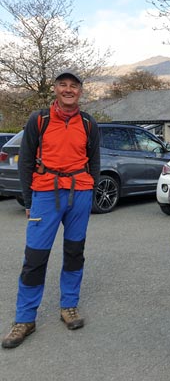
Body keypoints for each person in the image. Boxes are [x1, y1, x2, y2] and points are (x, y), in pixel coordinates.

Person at [2, 69, 100, 349]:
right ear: (55, 90)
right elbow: (25, 161)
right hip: (45, 192)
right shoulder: (39, 119)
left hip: (79, 191)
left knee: (74, 252)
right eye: (63, 85)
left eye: (74, 86)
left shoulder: (89, 122)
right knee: (34, 256)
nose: (69, 89)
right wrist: (29, 200)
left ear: (80, 92)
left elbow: (94, 159)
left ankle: (69, 306)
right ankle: (25, 318)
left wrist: (89, 191)